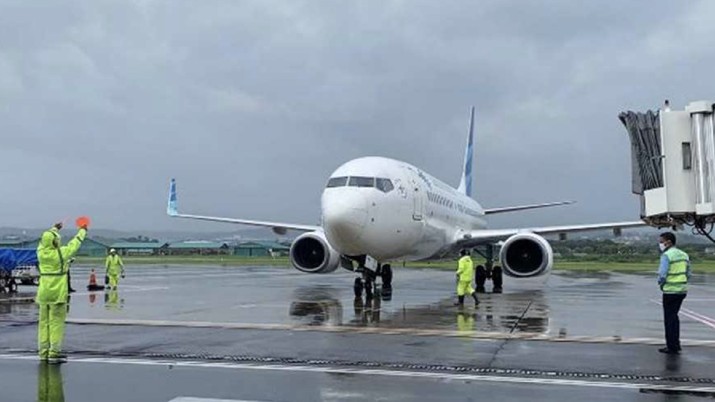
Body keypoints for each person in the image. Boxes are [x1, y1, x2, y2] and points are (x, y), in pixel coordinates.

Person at [36, 221, 87, 363]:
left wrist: (54, 228)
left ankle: (43, 351)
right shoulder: (61, 253)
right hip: (57, 292)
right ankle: (54, 352)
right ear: (55, 241)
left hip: (43, 291)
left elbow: (44, 240)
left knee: (43, 323)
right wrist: (82, 230)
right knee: (56, 322)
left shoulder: (40, 252)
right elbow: (75, 243)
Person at [657, 231, 691, 354]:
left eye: (661, 242)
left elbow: (662, 274)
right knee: (674, 317)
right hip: (682, 290)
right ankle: (675, 344)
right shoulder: (684, 255)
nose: (660, 244)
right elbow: (688, 273)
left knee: (669, 319)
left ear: (668, 242)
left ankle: (672, 346)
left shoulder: (667, 255)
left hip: (670, 291)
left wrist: (661, 285)